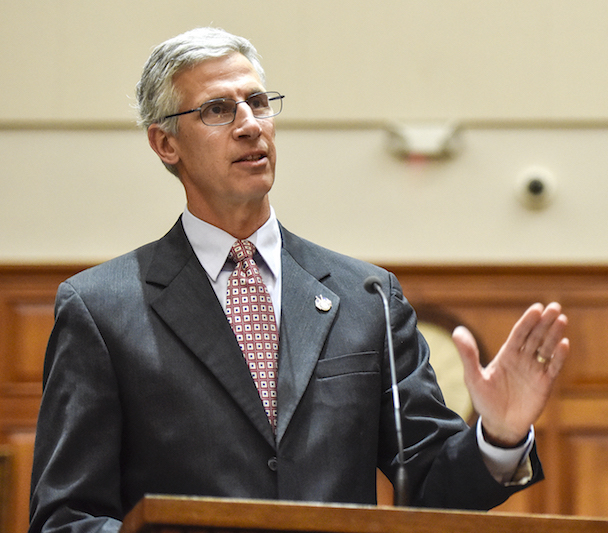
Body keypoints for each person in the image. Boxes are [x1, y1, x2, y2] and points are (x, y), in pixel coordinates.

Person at [28, 27, 569, 533]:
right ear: (165, 144)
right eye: (218, 109)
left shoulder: (367, 297)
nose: (249, 124)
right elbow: (66, 516)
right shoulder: (102, 309)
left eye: (258, 103)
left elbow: (431, 484)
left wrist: (499, 433)